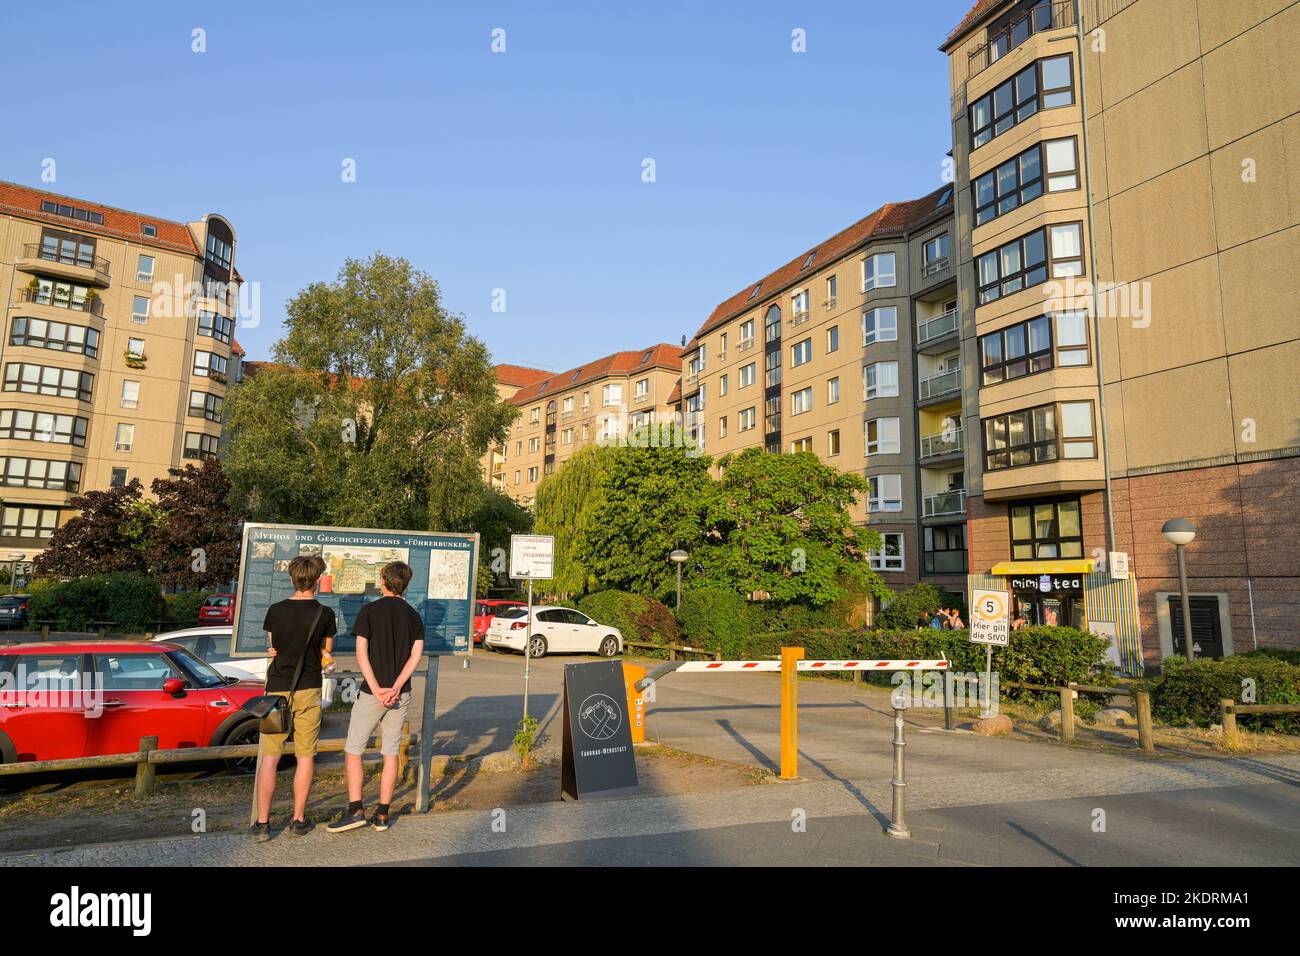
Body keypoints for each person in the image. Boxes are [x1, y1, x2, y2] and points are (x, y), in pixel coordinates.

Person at [327, 561, 425, 834]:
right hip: (400, 693)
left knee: (354, 749)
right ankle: (382, 813)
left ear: (383, 580)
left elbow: (361, 654)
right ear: (405, 583)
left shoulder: (368, 611)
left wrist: (378, 688)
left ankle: (356, 809)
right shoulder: (413, 616)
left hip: (372, 692)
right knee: (391, 751)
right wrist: (395, 687)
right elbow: (415, 657)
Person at [251, 555, 336, 842]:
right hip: (308, 688)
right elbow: (327, 653)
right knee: (305, 756)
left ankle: (262, 823)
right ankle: (298, 819)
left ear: (292, 578)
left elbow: (273, 647)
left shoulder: (275, 610)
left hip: (277, 690)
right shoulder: (324, 614)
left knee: (270, 756)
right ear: (317, 580)